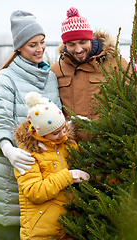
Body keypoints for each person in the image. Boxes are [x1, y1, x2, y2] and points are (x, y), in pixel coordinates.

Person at [0, 10, 62, 240]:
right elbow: (0, 123)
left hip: (46, 172)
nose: (40, 49)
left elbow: (58, 121)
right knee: (9, 230)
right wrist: (9, 151)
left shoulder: (50, 77)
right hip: (15, 168)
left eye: (42, 42)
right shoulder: (6, 79)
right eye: (32, 45)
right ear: (19, 47)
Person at [14, 91, 90, 240]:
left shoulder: (68, 145)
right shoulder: (28, 154)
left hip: (69, 228)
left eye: (63, 128)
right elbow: (34, 192)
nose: (62, 134)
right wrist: (68, 176)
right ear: (41, 132)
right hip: (41, 232)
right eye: (56, 133)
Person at [51, 7, 129, 141]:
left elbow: (133, 103)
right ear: (65, 45)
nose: (78, 49)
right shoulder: (56, 70)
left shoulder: (117, 64)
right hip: (70, 150)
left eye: (83, 42)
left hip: (108, 149)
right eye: (72, 44)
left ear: (91, 39)